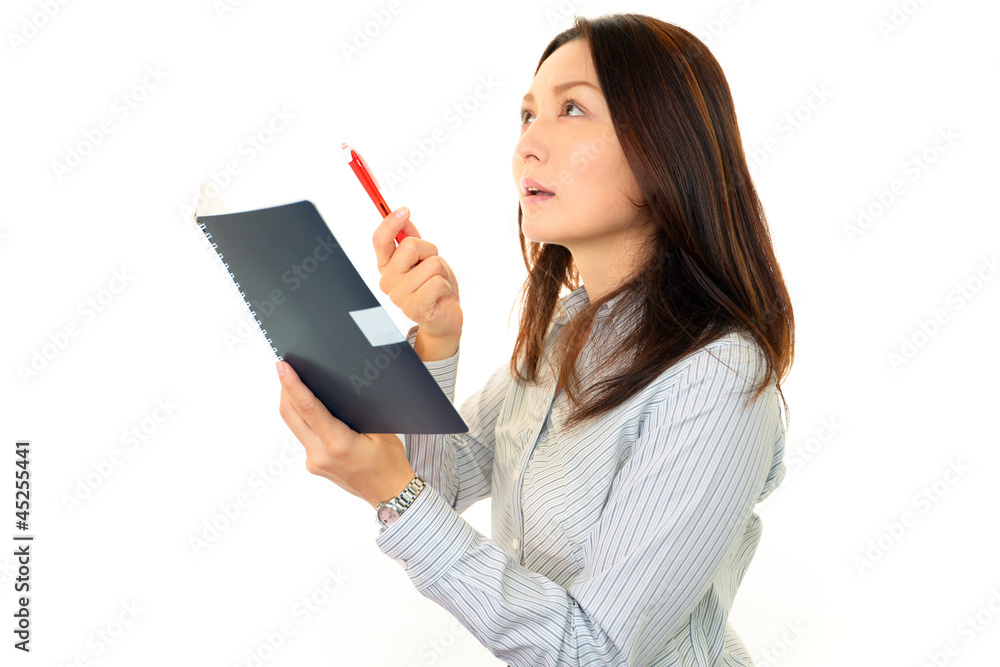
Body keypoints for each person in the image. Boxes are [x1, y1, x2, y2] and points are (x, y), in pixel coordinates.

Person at [275, 12, 795, 667]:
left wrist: (392, 493)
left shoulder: (718, 380)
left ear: (666, 147)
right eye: (527, 115)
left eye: (572, 109)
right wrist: (437, 338)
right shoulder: (566, 332)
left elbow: (594, 652)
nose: (528, 144)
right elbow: (443, 482)